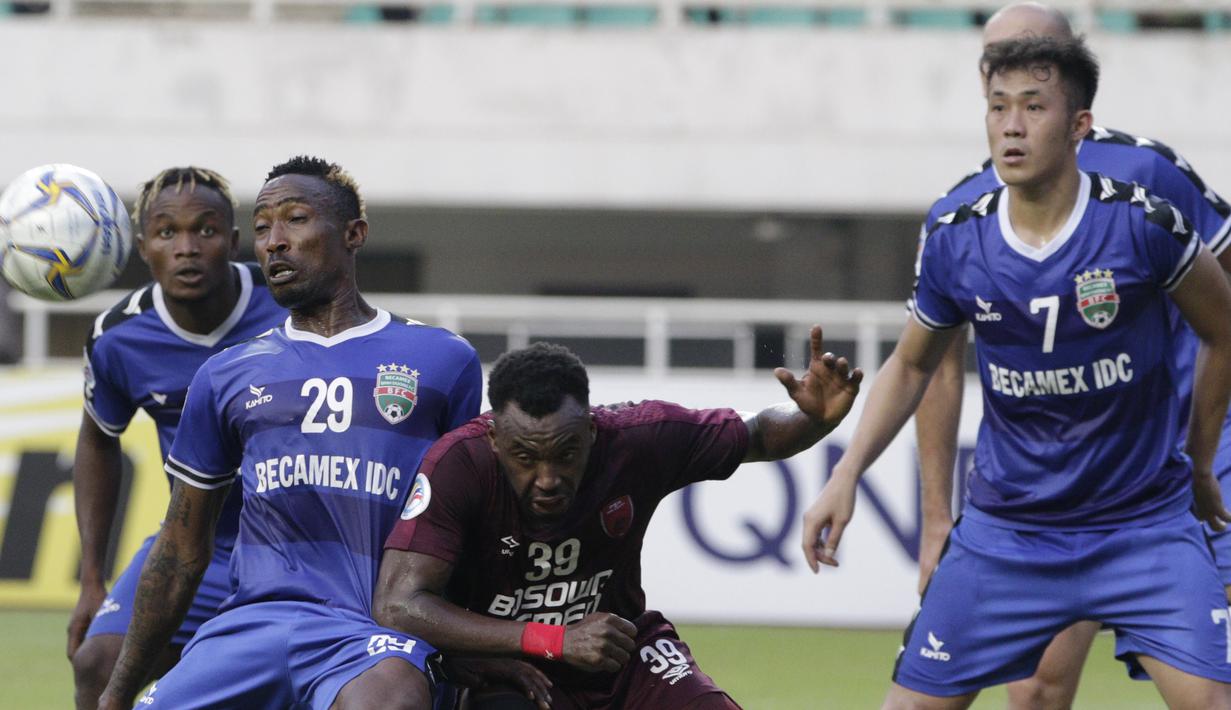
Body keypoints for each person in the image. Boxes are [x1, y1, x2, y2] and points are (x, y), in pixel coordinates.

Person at [803, 36, 1231, 709]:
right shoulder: (954, 235)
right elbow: (913, 364)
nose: (1010, 124)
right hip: (1009, 535)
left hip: (1143, 525)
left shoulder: (1146, 223)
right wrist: (845, 471)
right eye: (997, 107)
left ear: (1078, 125)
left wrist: (1201, 464)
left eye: (1033, 107)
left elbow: (1223, 330)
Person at [96, 155, 483, 709]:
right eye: (261, 228)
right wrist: (116, 693)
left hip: (369, 634)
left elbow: (473, 523)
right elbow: (182, 548)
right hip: (251, 628)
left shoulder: (443, 361)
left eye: (295, 219)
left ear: (354, 234)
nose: (274, 241)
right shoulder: (226, 375)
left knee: (391, 700)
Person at [373, 328, 862, 710]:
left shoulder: (638, 438)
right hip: (510, 671)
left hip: (623, 657)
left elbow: (755, 433)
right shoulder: (459, 464)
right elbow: (398, 603)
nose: (546, 478)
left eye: (565, 454)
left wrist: (811, 419)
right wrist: (553, 640)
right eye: (524, 457)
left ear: (591, 430)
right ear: (496, 440)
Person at [67, 167, 286, 709]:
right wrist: (91, 579)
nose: (186, 248)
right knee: (97, 665)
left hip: (297, 545)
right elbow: (99, 440)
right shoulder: (119, 336)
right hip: (198, 544)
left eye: (205, 231)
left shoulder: (289, 306)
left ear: (235, 243)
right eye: (167, 232)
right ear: (143, 247)